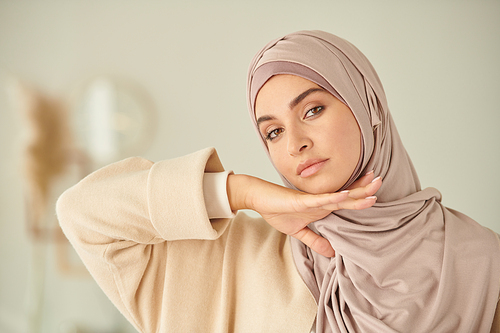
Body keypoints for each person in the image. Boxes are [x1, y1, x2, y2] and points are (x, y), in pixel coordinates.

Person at [56, 30, 500, 332]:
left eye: (312, 110)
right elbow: (81, 213)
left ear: (370, 109)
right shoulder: (233, 262)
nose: (295, 144)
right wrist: (242, 193)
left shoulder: (479, 260)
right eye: (273, 132)